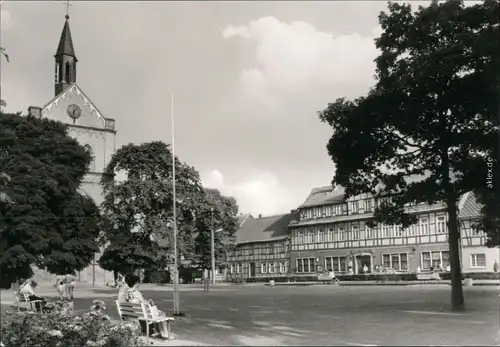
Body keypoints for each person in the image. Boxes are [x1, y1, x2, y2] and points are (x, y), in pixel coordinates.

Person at [124, 274, 170, 339]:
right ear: (135, 283)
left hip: (135, 313)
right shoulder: (137, 293)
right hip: (144, 314)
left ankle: (159, 332)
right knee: (162, 313)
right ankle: (165, 334)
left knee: (158, 313)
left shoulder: (126, 294)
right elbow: (144, 304)